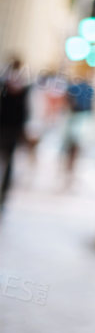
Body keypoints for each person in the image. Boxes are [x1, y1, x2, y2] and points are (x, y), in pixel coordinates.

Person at [0, 56, 32, 215]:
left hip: (8, 127)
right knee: (8, 162)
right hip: (12, 129)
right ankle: (4, 193)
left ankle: (4, 193)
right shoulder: (23, 86)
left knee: (6, 162)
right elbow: (25, 111)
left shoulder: (5, 83)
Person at [62, 69, 95, 190]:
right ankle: (69, 168)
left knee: (75, 145)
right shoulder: (77, 88)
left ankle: (70, 168)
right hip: (77, 118)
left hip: (80, 118)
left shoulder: (87, 89)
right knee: (72, 145)